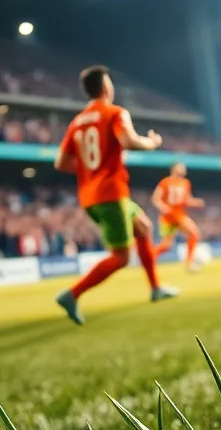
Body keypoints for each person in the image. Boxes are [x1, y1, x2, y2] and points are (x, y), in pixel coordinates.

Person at [53, 65, 178, 324]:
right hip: (110, 193)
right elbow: (129, 141)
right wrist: (152, 143)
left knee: (142, 226)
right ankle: (72, 294)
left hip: (90, 195)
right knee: (121, 257)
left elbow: (61, 163)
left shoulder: (77, 121)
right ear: (106, 87)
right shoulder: (114, 113)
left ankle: (155, 288)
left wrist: (89, 169)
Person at [152, 162, 205, 271]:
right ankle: (150, 257)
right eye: (180, 168)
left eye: (183, 169)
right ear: (174, 169)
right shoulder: (165, 182)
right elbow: (156, 198)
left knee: (194, 234)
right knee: (167, 245)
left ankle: (189, 262)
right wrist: (162, 206)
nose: (182, 170)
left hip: (179, 214)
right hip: (168, 216)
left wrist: (196, 202)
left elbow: (186, 200)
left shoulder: (185, 183)